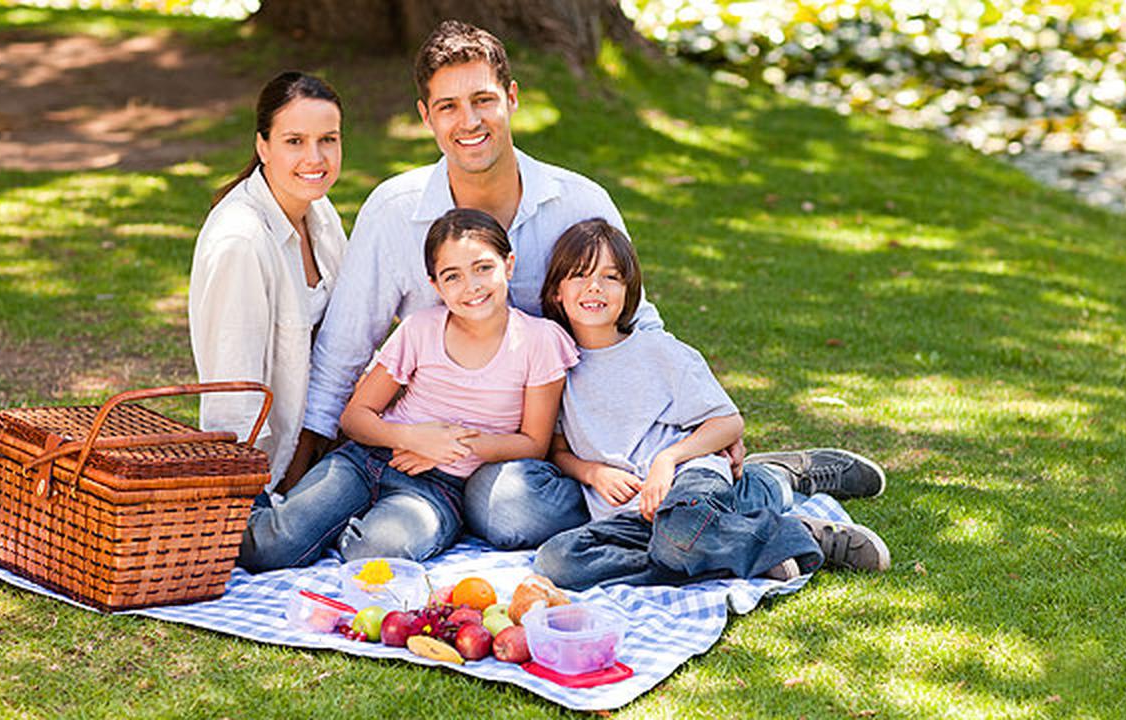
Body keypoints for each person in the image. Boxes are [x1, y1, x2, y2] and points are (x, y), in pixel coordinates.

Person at [285, 19, 669, 550]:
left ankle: (720, 489)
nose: (469, 122)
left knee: (515, 509)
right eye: (447, 106)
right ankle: (434, 513)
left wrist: (691, 436)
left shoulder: (580, 203)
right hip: (423, 453)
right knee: (484, 511)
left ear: (512, 98)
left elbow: (639, 326)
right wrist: (294, 477)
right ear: (425, 116)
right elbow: (342, 354)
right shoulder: (394, 211)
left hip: (542, 452)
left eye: (483, 100)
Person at [531, 220, 890, 590]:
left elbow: (728, 423)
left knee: (681, 534)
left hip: (688, 481)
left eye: (610, 276)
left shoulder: (659, 352)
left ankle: (801, 537)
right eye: (579, 275)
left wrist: (666, 460)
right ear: (557, 291)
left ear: (628, 290)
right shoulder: (556, 366)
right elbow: (557, 448)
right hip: (633, 515)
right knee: (557, 562)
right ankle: (744, 538)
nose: (594, 287)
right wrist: (592, 473)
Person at [237, 209, 579, 571]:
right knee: (271, 549)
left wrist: (449, 448)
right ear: (435, 285)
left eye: (483, 268)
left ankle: (336, 527)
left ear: (508, 265)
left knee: (376, 552)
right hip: (367, 460)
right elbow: (355, 417)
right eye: (453, 276)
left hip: (437, 491)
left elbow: (534, 443)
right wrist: (412, 438)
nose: (472, 286)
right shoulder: (421, 329)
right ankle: (243, 509)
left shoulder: (539, 341)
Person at [188, 71, 348, 493]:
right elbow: (232, 394)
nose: (315, 157)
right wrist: (247, 497)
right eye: (295, 141)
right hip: (269, 471)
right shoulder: (241, 241)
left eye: (328, 139)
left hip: (327, 435)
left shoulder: (320, 212)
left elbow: (348, 335)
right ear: (263, 146)